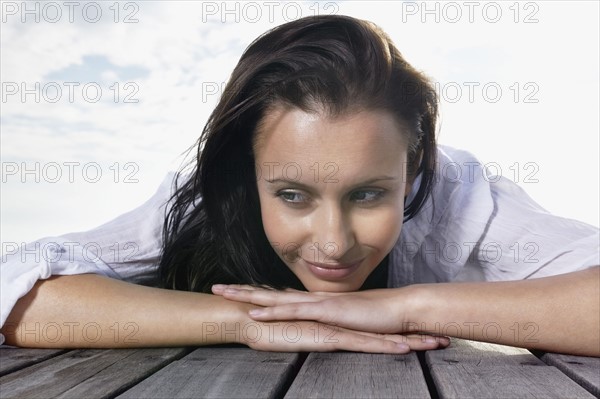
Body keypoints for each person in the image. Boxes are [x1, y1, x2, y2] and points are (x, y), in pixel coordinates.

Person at [1, 15, 598, 356]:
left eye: (369, 194)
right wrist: (243, 322)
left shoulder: (461, 194)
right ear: (247, 176)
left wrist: (402, 307)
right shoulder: (205, 197)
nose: (333, 244)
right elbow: (19, 288)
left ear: (414, 170)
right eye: (292, 195)